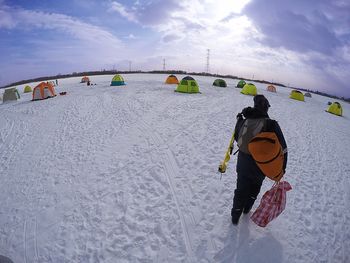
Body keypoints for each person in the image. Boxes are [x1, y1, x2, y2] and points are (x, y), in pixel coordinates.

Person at [231, 95, 288, 225]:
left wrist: (240, 122)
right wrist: (282, 168)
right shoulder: (271, 124)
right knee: (255, 188)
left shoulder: (244, 120)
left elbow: (236, 137)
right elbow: (283, 148)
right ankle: (247, 209)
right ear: (266, 108)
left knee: (241, 189)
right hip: (261, 165)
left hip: (243, 162)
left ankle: (235, 216)